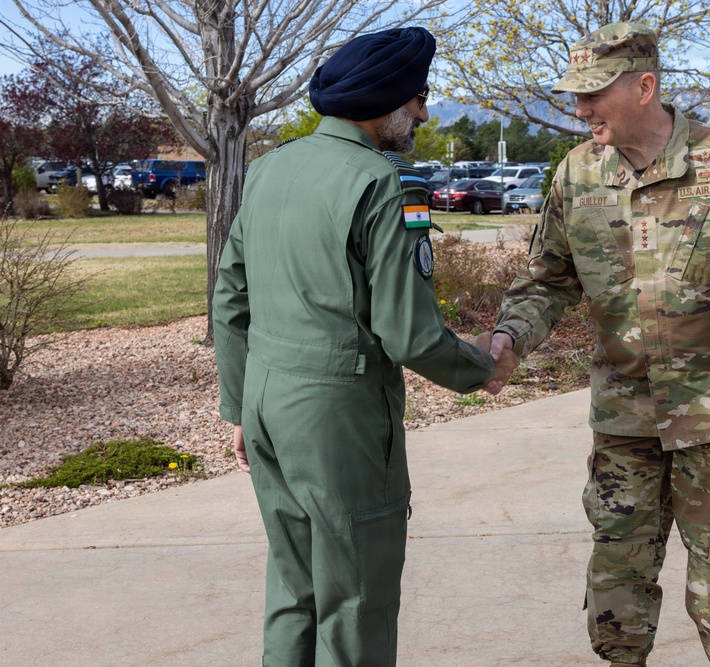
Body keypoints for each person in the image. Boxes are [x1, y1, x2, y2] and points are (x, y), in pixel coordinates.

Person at [485, 22, 710, 667]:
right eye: (575, 95)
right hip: (625, 416)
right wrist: (508, 340)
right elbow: (547, 281)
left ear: (644, 87)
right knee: (617, 576)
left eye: (593, 95)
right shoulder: (577, 174)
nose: (579, 109)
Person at [213, 26, 517, 666]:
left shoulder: (269, 169)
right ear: (386, 101)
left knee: (293, 587)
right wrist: (482, 366)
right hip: (340, 420)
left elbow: (231, 300)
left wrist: (240, 406)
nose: (423, 114)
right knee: (357, 596)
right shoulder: (379, 182)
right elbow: (407, 333)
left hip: (268, 405)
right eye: (416, 100)